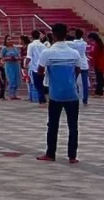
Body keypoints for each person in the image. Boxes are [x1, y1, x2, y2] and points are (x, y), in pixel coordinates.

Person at [36, 22, 87, 163]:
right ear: (66, 35)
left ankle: (50, 153)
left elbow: (40, 71)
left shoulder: (47, 52)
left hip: (55, 95)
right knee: (73, 126)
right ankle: (72, 156)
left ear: (53, 35)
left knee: (52, 125)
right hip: (72, 94)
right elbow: (78, 69)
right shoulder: (74, 53)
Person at [26, 30, 48, 106]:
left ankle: (41, 100)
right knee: (41, 83)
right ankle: (43, 99)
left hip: (34, 67)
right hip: (42, 66)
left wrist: (25, 65)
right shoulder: (43, 45)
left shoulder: (31, 45)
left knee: (37, 84)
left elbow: (29, 57)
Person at [87, 31, 104, 97]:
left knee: (99, 78)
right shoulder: (99, 45)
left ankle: (99, 92)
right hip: (100, 63)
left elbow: (94, 54)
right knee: (100, 78)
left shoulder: (97, 45)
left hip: (98, 63)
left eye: (89, 38)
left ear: (92, 38)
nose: (89, 40)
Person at [70, 28, 89, 106]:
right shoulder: (84, 43)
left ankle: (75, 96)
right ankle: (85, 100)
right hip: (84, 64)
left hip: (75, 64)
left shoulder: (72, 44)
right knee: (85, 83)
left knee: (73, 81)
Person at [0, 35, 22, 100]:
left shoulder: (15, 48)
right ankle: (10, 94)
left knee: (16, 79)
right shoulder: (4, 48)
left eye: (11, 39)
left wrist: (16, 58)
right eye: (8, 39)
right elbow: (1, 58)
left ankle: (15, 94)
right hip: (9, 66)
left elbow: (19, 56)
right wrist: (8, 58)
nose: (10, 41)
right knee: (11, 80)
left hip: (16, 65)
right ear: (5, 40)